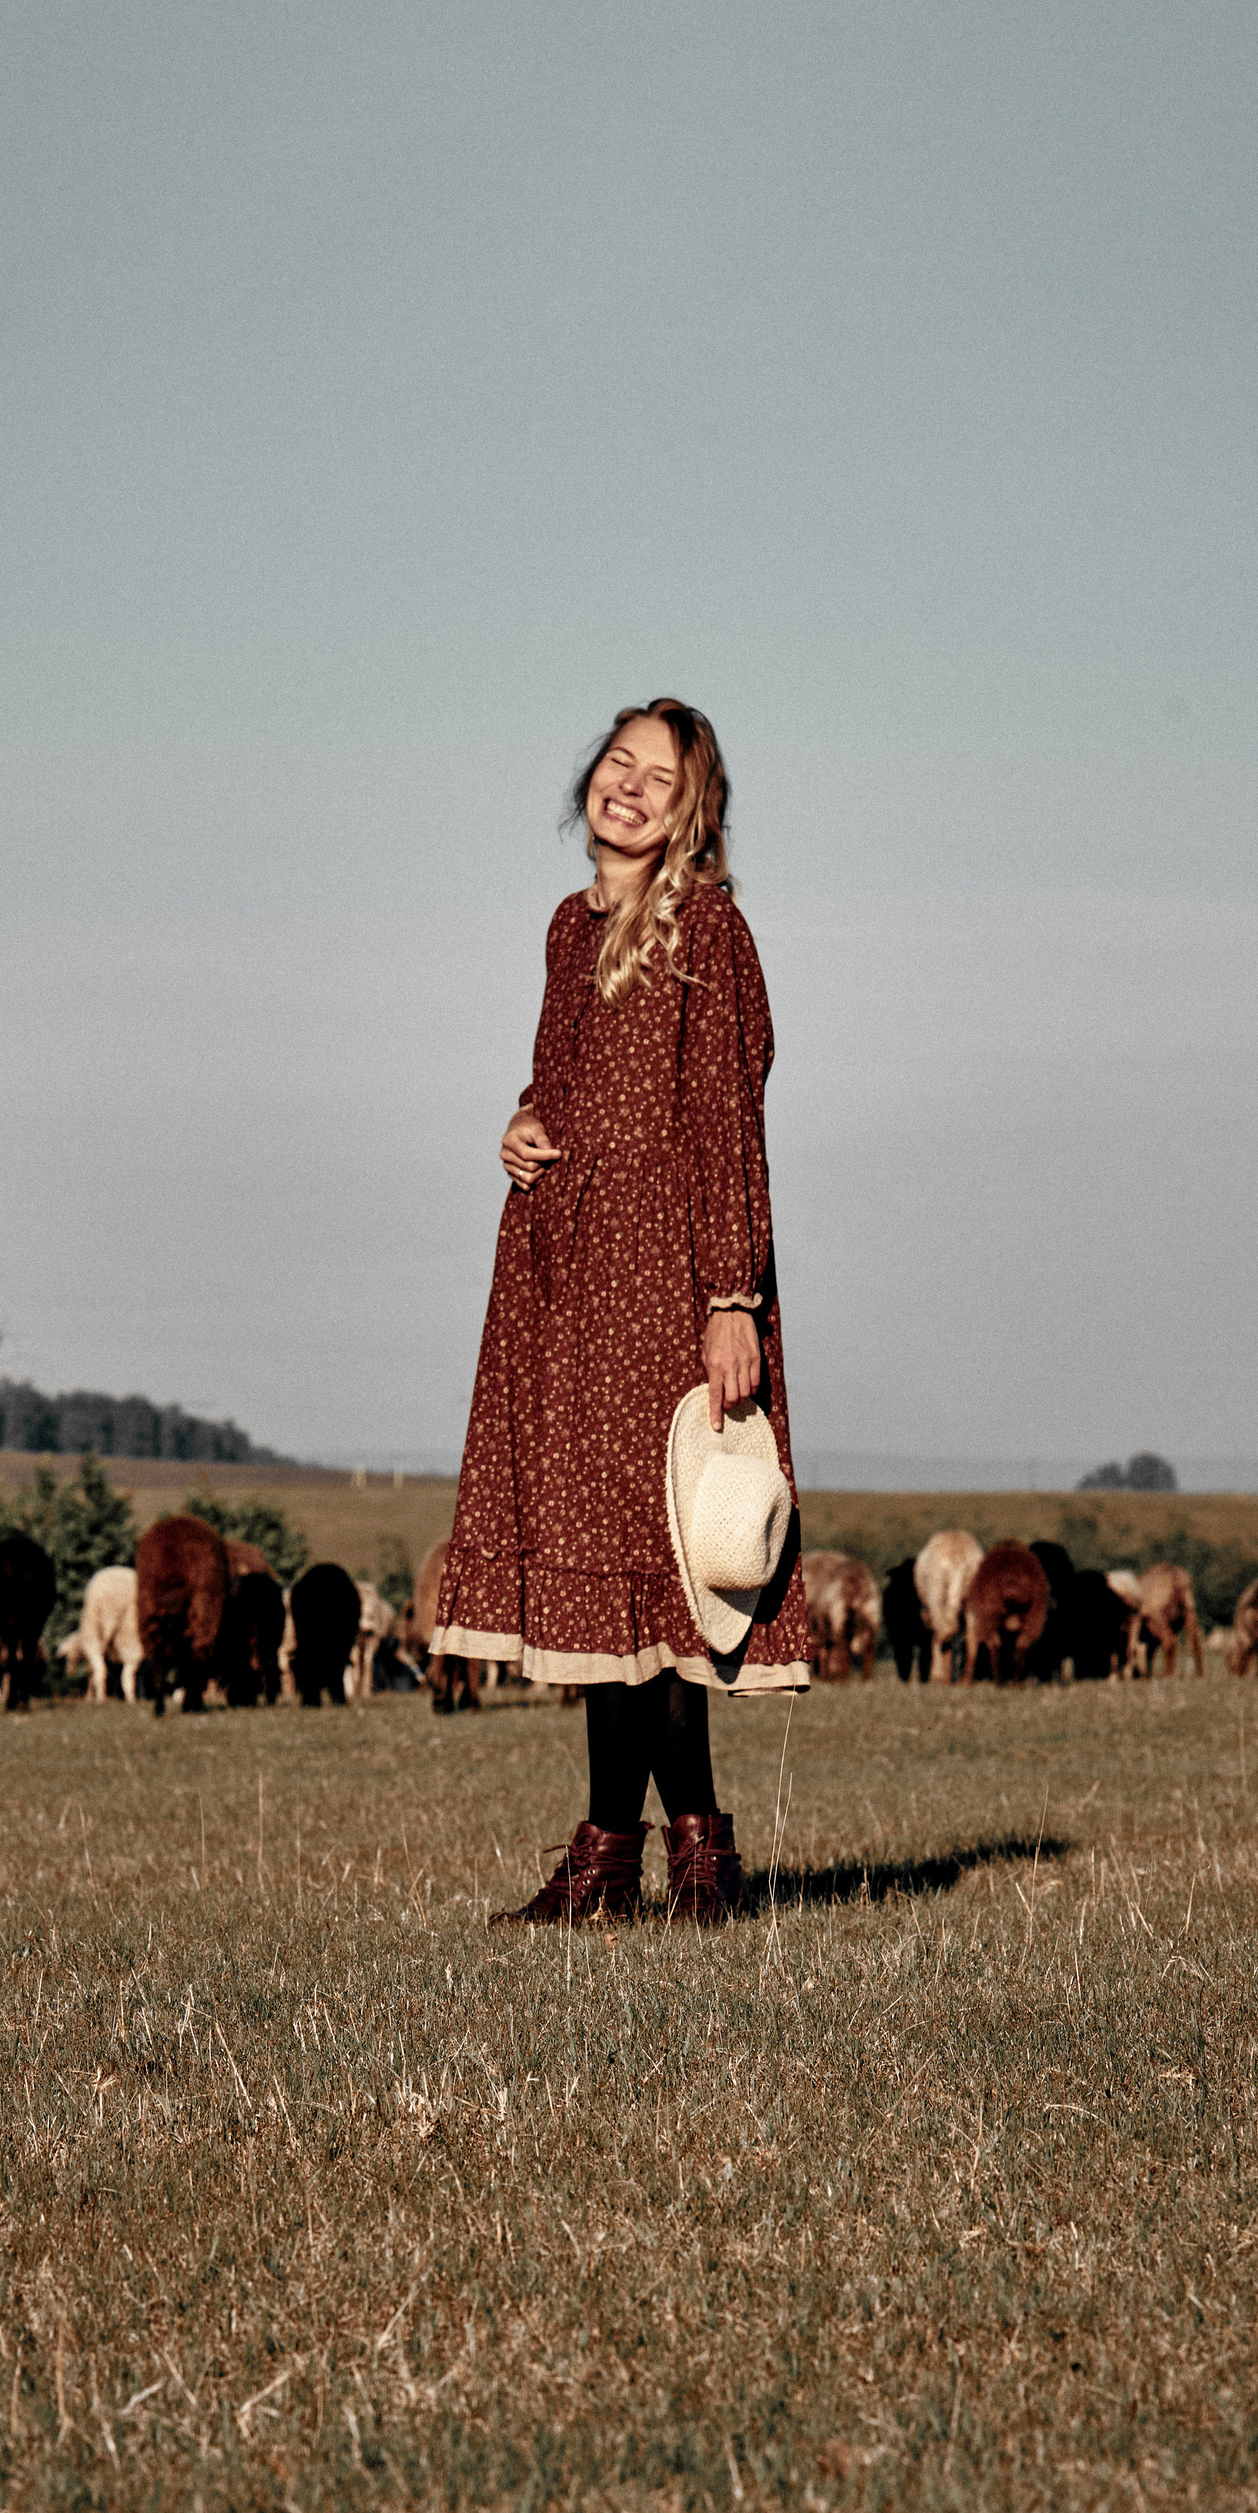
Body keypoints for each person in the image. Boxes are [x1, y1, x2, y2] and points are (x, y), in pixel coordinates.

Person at [432, 698, 809, 1925]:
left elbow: (728, 1119)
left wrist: (733, 1294)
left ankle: (693, 1855)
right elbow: (563, 1074)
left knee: (665, 1566)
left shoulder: (710, 928)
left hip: (668, 1273)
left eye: (661, 778)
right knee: (600, 1573)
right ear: (588, 778)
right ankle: (611, 1859)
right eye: (618, 763)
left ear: (693, 813)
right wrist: (522, 1121)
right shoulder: (567, 927)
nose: (630, 787)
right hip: (561, 1271)